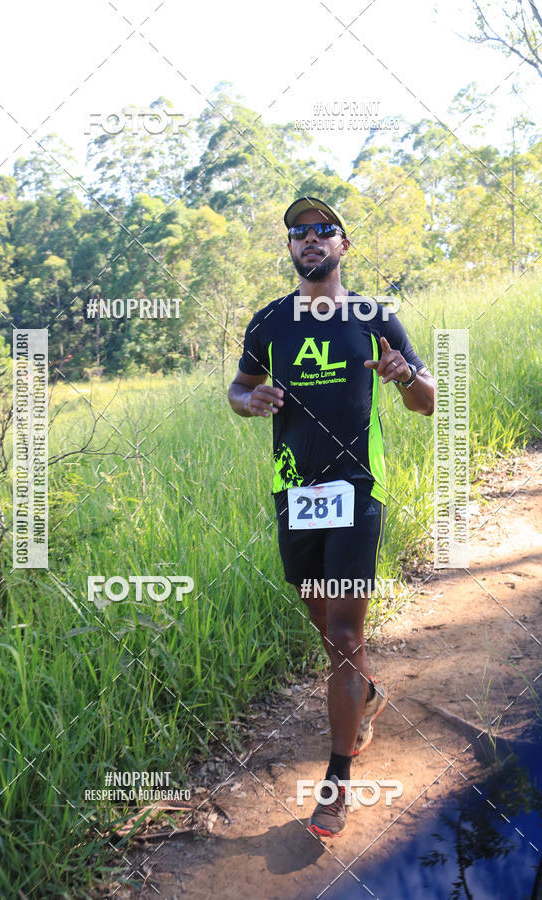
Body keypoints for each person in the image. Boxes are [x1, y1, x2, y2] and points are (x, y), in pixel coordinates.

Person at [227, 197, 435, 837]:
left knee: (345, 638)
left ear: (343, 245)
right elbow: (238, 388)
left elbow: (427, 401)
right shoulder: (269, 323)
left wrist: (403, 377)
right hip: (294, 491)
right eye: (299, 231)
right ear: (290, 247)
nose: (310, 238)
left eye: (324, 230)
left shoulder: (374, 316)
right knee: (322, 618)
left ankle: (338, 782)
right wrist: (249, 399)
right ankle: (366, 694)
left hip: (356, 488)